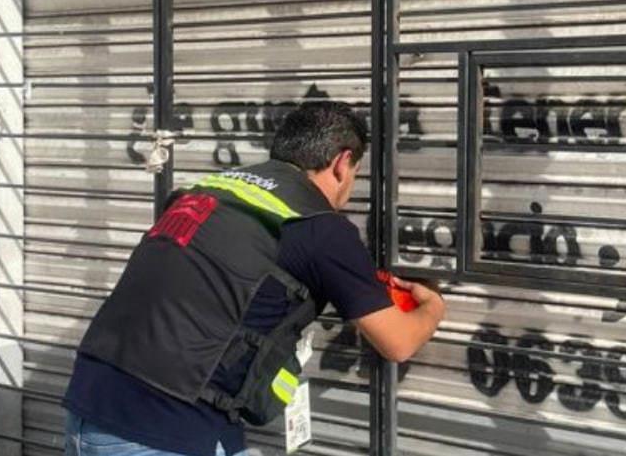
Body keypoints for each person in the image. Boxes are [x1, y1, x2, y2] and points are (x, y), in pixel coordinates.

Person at [62, 101, 446, 456]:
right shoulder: (320, 226)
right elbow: (398, 343)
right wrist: (433, 304)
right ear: (342, 163)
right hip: (162, 431)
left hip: (88, 406)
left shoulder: (210, 189)